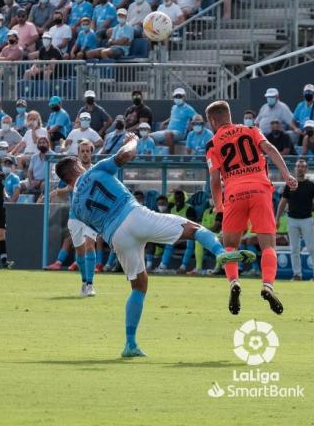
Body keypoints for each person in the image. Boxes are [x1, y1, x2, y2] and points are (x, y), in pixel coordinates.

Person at [55, 132, 253, 357]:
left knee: (139, 286)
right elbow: (126, 155)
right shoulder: (96, 170)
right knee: (193, 230)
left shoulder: (76, 208)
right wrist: (133, 139)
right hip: (133, 215)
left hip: (116, 237)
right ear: (76, 168)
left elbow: (88, 234)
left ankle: (130, 344)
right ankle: (219, 253)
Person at [205, 100, 298, 316]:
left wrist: (220, 205)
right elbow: (271, 149)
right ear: (229, 115)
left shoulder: (212, 144)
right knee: (268, 246)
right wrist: (286, 175)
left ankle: (234, 283)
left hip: (235, 193)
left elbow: (214, 178)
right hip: (260, 189)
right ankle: (267, 286)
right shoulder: (251, 129)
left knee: (229, 246)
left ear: (212, 121)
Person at [276, 159, 314, 281]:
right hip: (292, 220)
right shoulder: (290, 185)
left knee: (311, 247)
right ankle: (297, 274)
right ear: (295, 168)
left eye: (303, 166)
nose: (300, 168)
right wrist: (277, 218)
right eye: (298, 166)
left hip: (307, 219)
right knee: (294, 249)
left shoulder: (311, 185)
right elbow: (282, 203)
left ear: (306, 169)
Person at [151, 88, 197, 154]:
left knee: (168, 134)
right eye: (176, 96)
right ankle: (153, 157)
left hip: (180, 133)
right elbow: (173, 117)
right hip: (168, 131)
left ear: (184, 97)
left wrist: (191, 124)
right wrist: (164, 122)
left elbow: (197, 118)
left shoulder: (188, 108)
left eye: (180, 96)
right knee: (149, 136)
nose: (178, 98)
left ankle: (170, 158)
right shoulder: (173, 107)